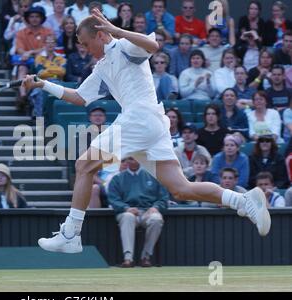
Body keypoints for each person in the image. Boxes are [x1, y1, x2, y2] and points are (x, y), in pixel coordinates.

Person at [22, 9, 271, 254]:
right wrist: (44, 84)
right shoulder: (101, 67)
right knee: (181, 189)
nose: (86, 50)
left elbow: (153, 45)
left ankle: (71, 234)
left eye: (87, 44)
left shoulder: (124, 47)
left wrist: (117, 30)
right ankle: (243, 200)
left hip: (139, 119)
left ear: (100, 35)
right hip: (151, 124)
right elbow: (79, 97)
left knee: (84, 165)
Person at [108, 156, 168, 267]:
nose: (131, 161)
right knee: (127, 217)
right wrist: (126, 208)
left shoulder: (154, 176)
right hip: (128, 212)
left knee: (156, 219)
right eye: (129, 159)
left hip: (148, 211)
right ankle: (128, 258)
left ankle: (146, 256)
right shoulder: (117, 178)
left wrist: (156, 207)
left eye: (134, 158)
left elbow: (163, 198)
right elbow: (113, 199)